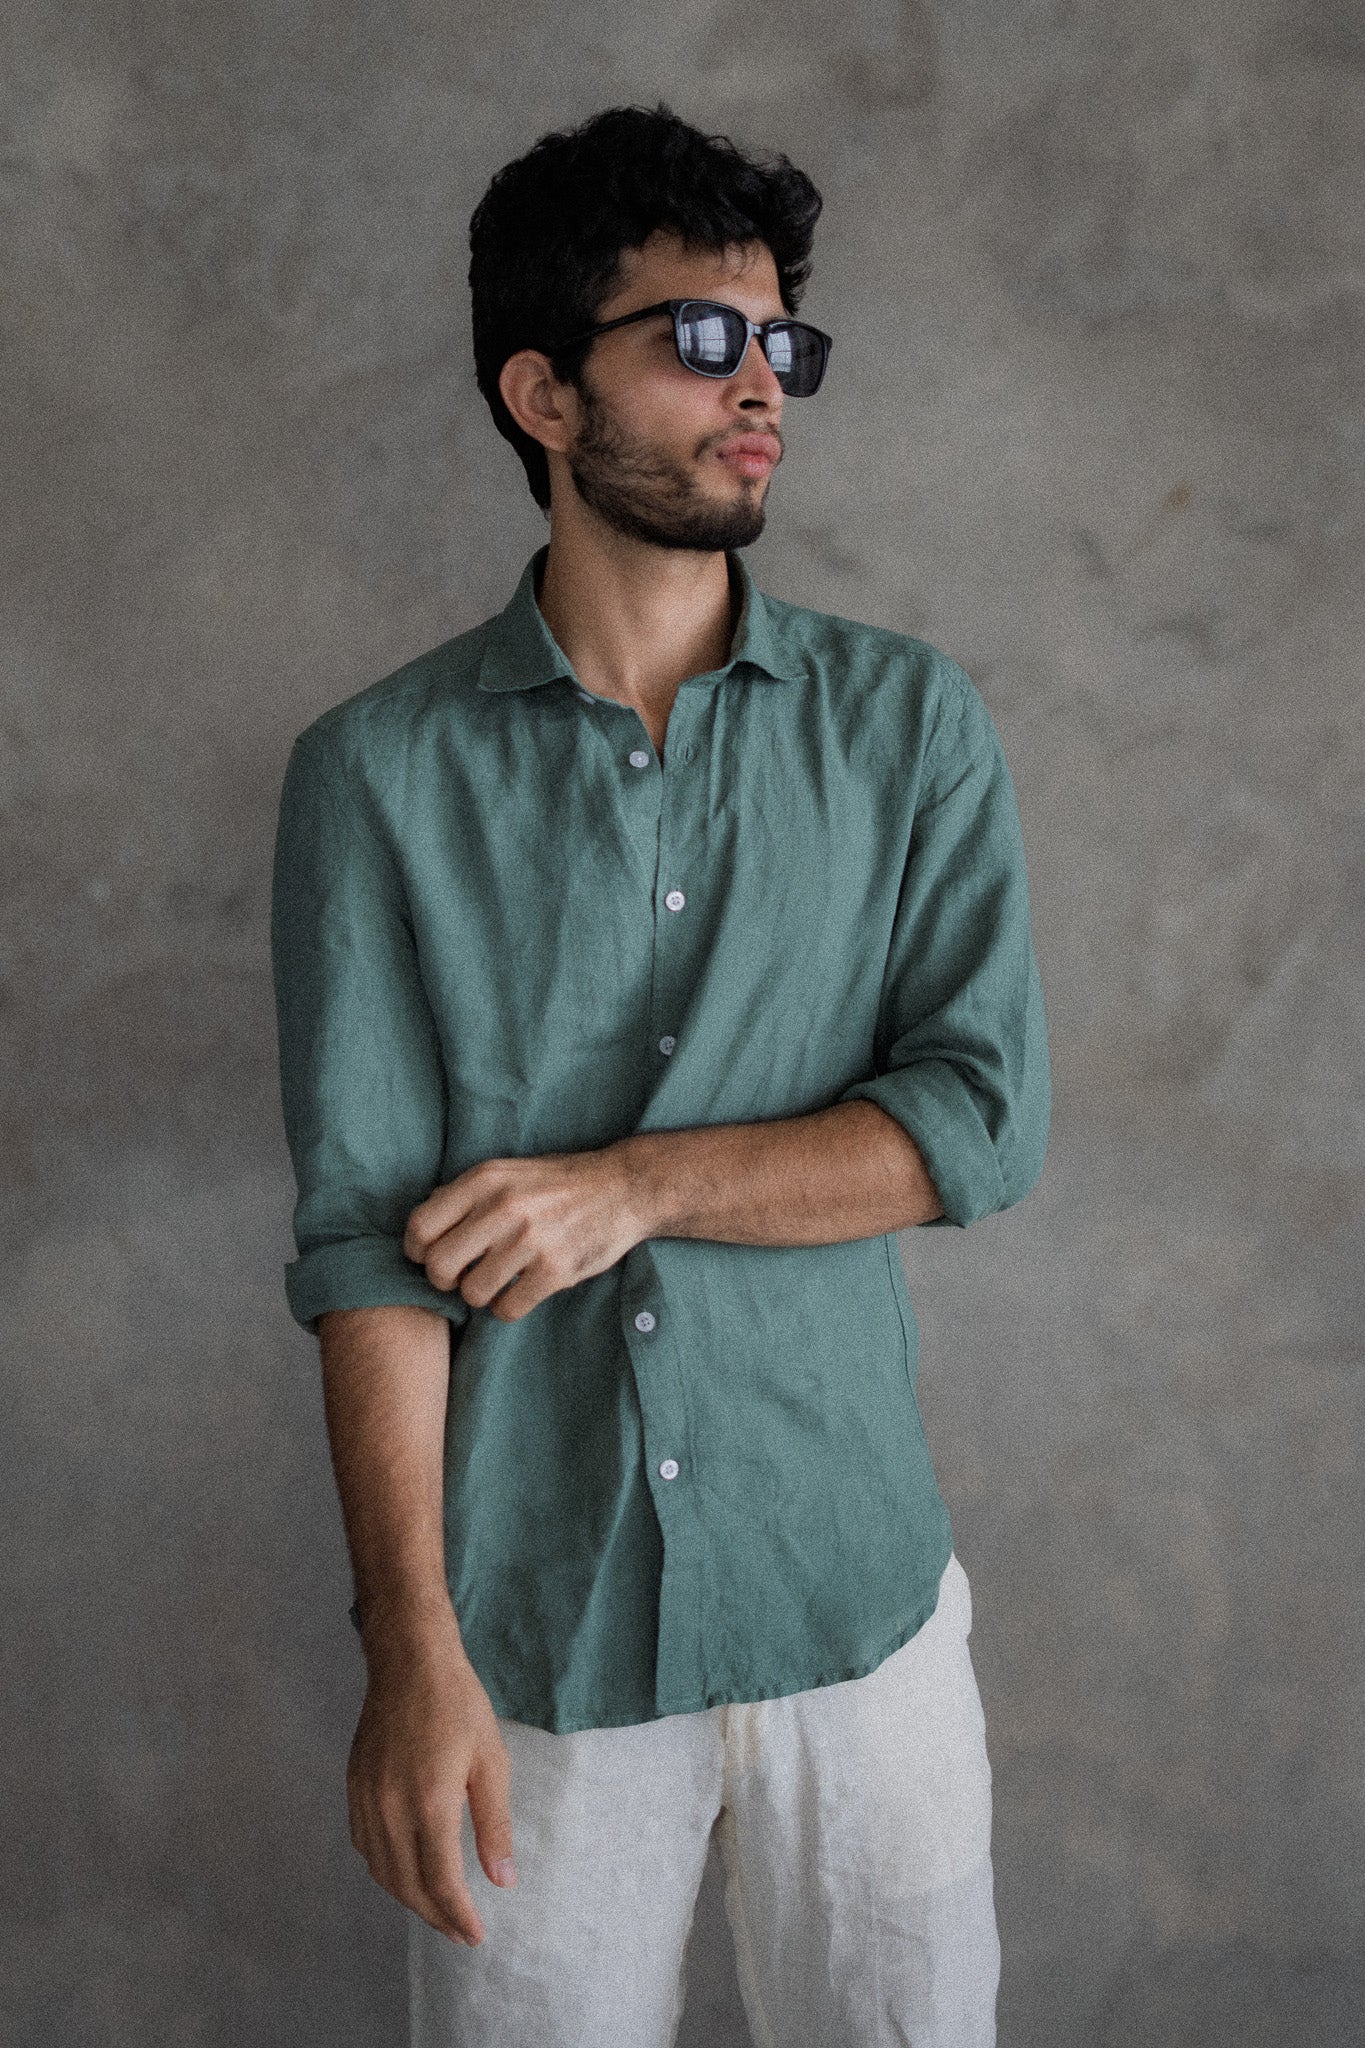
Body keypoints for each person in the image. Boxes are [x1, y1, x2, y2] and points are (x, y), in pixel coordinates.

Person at [269, 101, 1050, 2048]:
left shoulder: (905, 727)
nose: (757, 387)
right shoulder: (373, 776)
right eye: (697, 339)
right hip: (528, 1641)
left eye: (779, 344)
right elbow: (369, 1243)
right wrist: (411, 1651)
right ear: (541, 390)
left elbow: (976, 1117)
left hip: (851, 1613)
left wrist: (628, 1183)